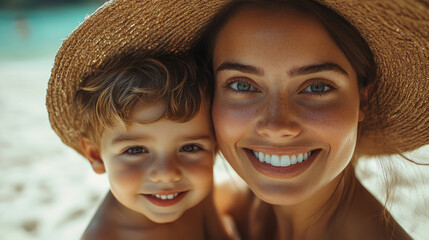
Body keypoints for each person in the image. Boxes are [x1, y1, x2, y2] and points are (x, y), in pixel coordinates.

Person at [193, 0, 428, 239]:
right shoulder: (233, 208)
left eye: (317, 87)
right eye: (242, 85)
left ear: (364, 98)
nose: (277, 127)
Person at [45, 1, 236, 240]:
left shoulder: (194, 193)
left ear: (215, 148)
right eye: (135, 150)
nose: (167, 174)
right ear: (95, 155)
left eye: (190, 147)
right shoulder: (105, 236)